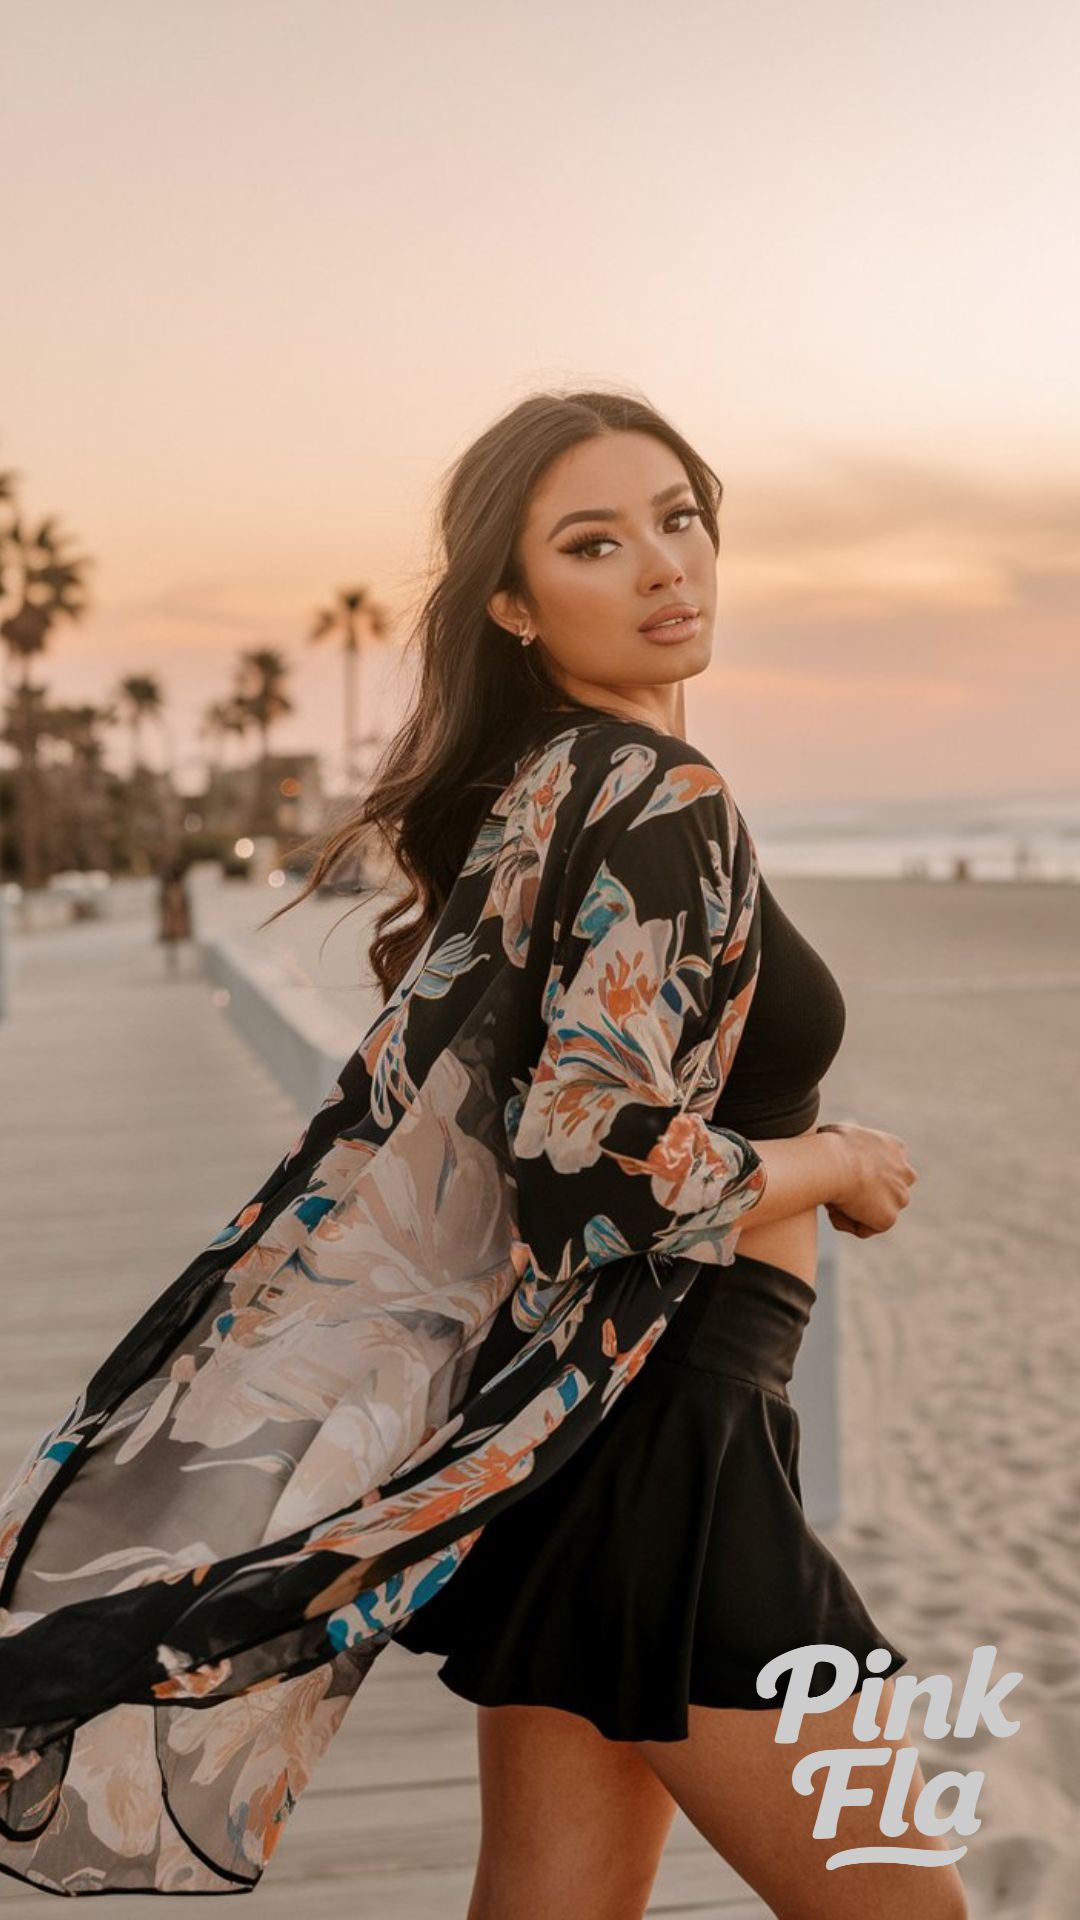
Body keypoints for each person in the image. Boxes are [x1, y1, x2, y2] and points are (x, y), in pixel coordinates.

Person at [0, 389, 968, 1919]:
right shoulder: (660, 794)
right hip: (668, 1438)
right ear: (513, 605)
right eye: (597, 542)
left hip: (611, 1437)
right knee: (907, 1910)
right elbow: (590, 1169)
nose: (664, 565)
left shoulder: (552, 791)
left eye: (680, 517)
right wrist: (833, 1164)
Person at [156, 859, 193, 973]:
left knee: (175, 937)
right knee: (171, 938)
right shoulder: (167, 889)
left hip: (176, 915)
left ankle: (174, 959)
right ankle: (172, 958)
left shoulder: (178, 889)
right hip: (171, 916)